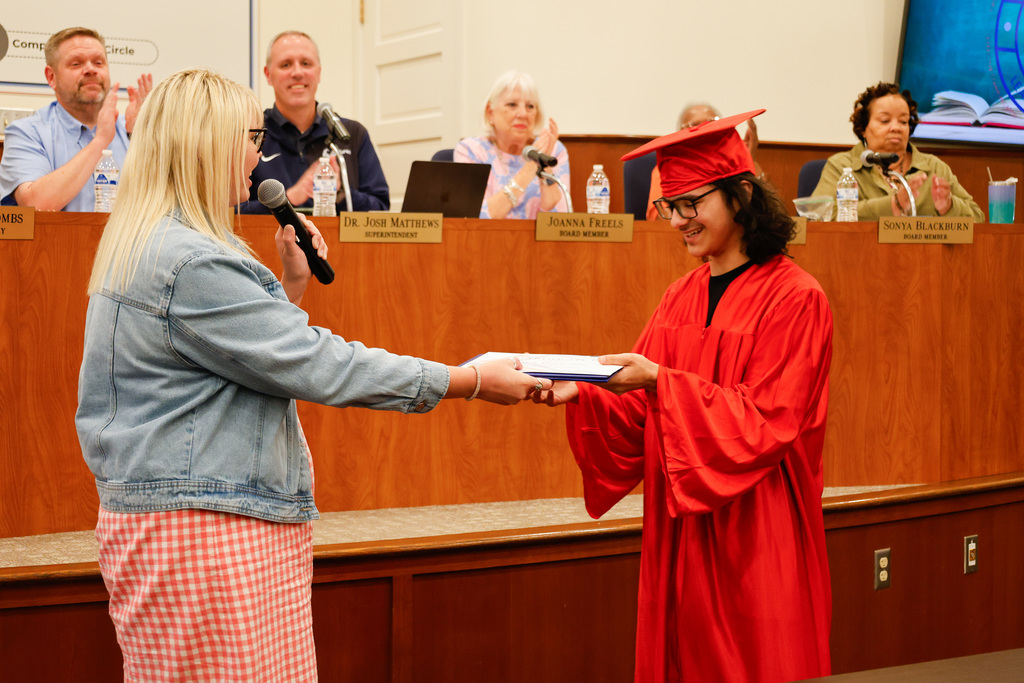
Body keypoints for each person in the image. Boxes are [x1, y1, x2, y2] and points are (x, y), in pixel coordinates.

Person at [75, 68, 547, 680]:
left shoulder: (155, 240)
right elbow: (321, 365)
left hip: (203, 518)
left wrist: (290, 287)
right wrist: (469, 379)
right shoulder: (189, 259)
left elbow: (239, 362)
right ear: (206, 141)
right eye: (249, 134)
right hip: (205, 531)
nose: (259, 152)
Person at [535, 110, 833, 682]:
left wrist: (658, 381)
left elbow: (768, 421)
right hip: (679, 527)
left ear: (741, 194)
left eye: (691, 204)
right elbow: (642, 413)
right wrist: (583, 394)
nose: (677, 221)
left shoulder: (797, 298)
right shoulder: (680, 296)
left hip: (755, 526)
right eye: (669, 207)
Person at [0, 27, 152, 211]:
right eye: (76, 64)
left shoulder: (129, 129)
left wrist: (143, 137)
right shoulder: (26, 132)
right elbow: (35, 205)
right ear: (51, 77)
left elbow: (165, 203)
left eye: (98, 62)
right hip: (57, 240)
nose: (90, 70)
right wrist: (100, 141)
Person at [238, 30, 389, 213]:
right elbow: (228, 211)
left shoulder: (352, 133)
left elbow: (380, 210)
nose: (297, 72)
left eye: (306, 63)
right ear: (268, 74)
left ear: (319, 72)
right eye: (286, 65)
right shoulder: (250, 133)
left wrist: (340, 194)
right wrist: (289, 199)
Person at [812, 82, 984, 220]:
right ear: (863, 127)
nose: (896, 128)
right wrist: (891, 206)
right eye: (885, 121)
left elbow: (978, 217)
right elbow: (817, 216)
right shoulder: (841, 166)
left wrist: (948, 206)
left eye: (903, 121)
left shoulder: (933, 167)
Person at [454, 70, 569, 219]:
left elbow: (559, 221)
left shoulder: (553, 150)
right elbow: (477, 217)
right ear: (490, 113)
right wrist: (531, 166)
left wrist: (543, 162)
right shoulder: (471, 151)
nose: (523, 114)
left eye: (530, 106)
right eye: (512, 104)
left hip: (538, 242)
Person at [645, 102, 768, 220]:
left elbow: (771, 210)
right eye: (694, 124)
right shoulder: (668, 169)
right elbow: (662, 221)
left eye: (712, 122)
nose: (706, 129)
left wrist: (748, 163)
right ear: (679, 133)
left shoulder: (735, 161)